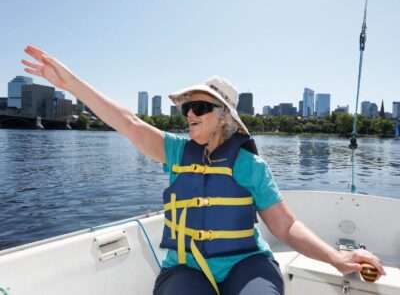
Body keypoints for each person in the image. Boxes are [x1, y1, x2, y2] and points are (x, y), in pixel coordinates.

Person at [22, 45, 385, 295]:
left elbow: (285, 226)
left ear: (224, 116)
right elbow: (129, 122)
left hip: (247, 263)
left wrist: (338, 259)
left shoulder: (250, 165)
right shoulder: (176, 151)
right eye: (187, 108)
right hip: (185, 267)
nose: (190, 114)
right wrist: (70, 84)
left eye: (199, 107)